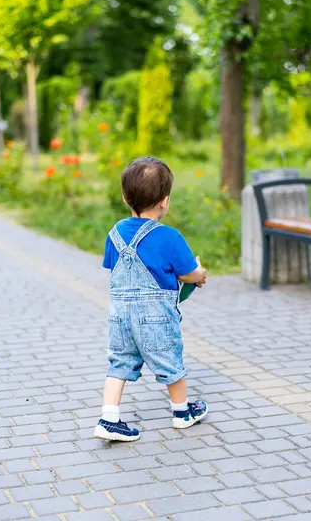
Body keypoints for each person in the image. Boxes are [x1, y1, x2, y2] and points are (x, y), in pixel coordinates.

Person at [94, 156, 208, 442]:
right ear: (165, 201)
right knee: (169, 359)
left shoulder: (114, 233)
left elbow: (114, 268)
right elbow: (189, 274)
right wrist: (200, 273)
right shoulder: (169, 237)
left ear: (124, 197)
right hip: (155, 318)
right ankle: (182, 412)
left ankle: (109, 418)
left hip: (120, 317)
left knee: (119, 363)